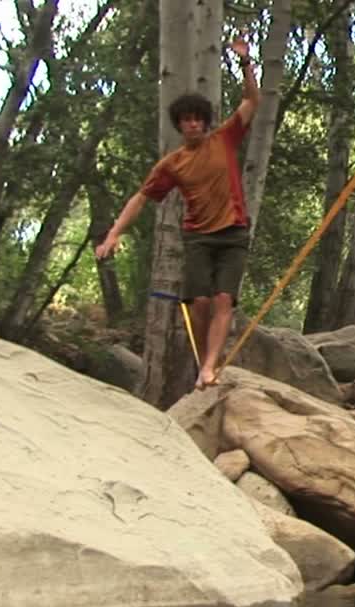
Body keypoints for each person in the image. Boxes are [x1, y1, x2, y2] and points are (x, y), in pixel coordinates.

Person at [96, 37, 259, 390]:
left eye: (199, 120)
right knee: (198, 303)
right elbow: (141, 197)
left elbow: (251, 101)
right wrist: (114, 232)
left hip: (233, 232)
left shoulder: (225, 139)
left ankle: (210, 365)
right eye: (187, 121)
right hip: (198, 236)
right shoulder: (173, 164)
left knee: (223, 299)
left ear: (205, 122)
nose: (194, 125)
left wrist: (246, 63)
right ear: (179, 125)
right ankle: (205, 362)